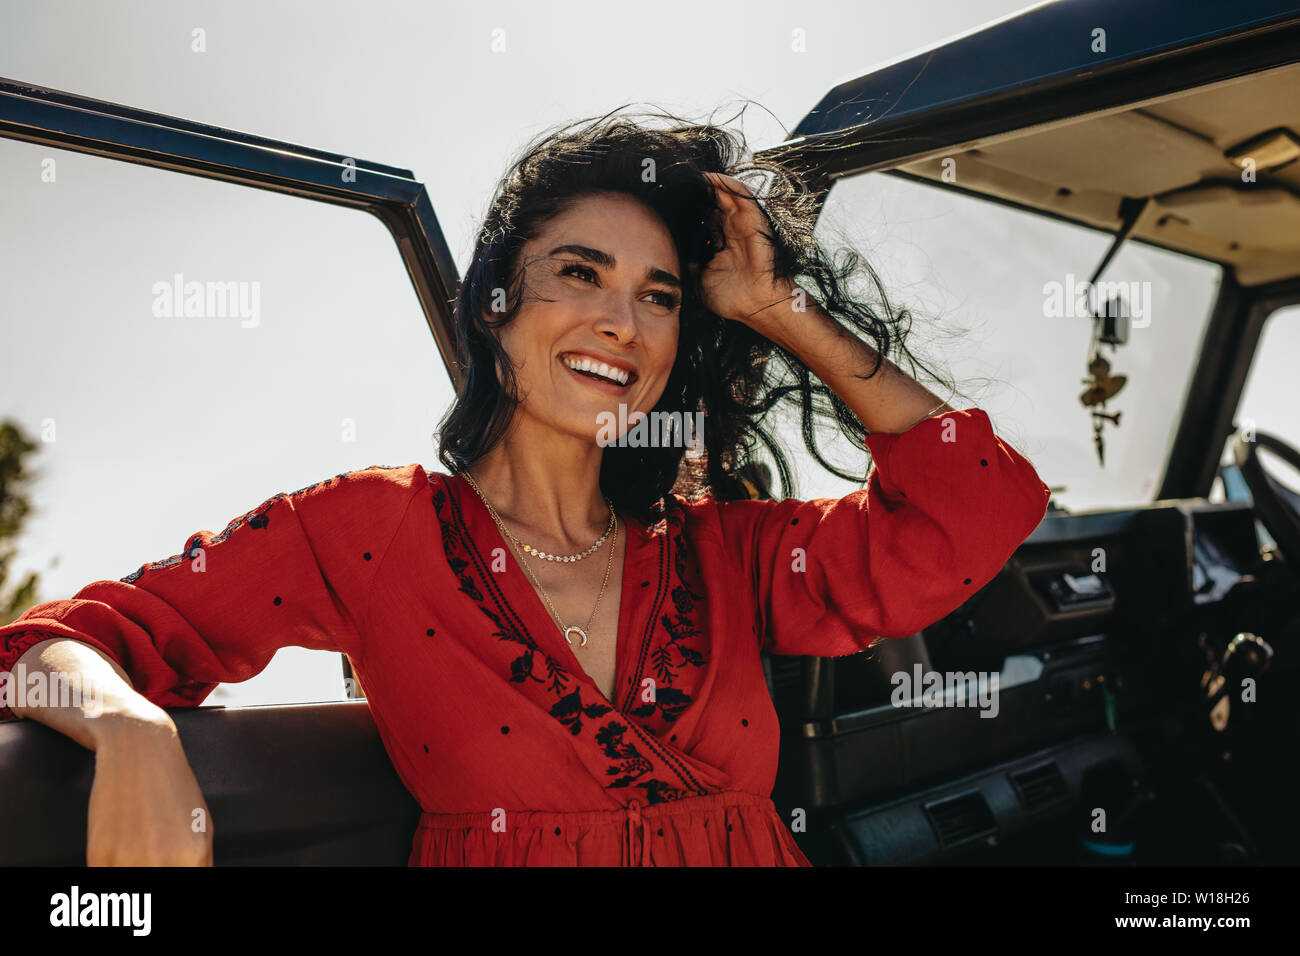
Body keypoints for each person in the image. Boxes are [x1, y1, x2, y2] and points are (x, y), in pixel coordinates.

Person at [0, 109, 1050, 866]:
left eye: (660, 296)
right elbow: (46, 647)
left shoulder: (721, 552)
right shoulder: (368, 527)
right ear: (495, 303)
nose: (620, 323)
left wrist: (779, 309)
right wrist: (131, 731)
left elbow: (977, 506)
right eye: (580, 273)